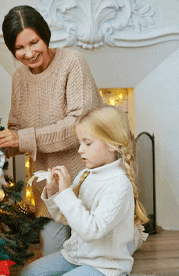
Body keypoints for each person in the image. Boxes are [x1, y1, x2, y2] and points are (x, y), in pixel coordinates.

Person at [0, 5, 104, 255]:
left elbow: (78, 126)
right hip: (50, 195)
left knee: (92, 260)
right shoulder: (19, 78)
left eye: (34, 42)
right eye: (19, 48)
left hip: (88, 185)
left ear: (45, 35)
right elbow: (18, 129)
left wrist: (22, 137)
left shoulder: (73, 63)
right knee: (52, 260)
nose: (28, 53)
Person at [18, 105, 149, 276]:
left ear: (112, 145)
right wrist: (55, 192)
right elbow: (64, 217)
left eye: (87, 143)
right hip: (75, 257)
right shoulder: (85, 175)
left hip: (105, 266)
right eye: (80, 143)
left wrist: (66, 194)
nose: (80, 150)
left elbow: (90, 231)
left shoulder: (119, 185)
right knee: (28, 273)